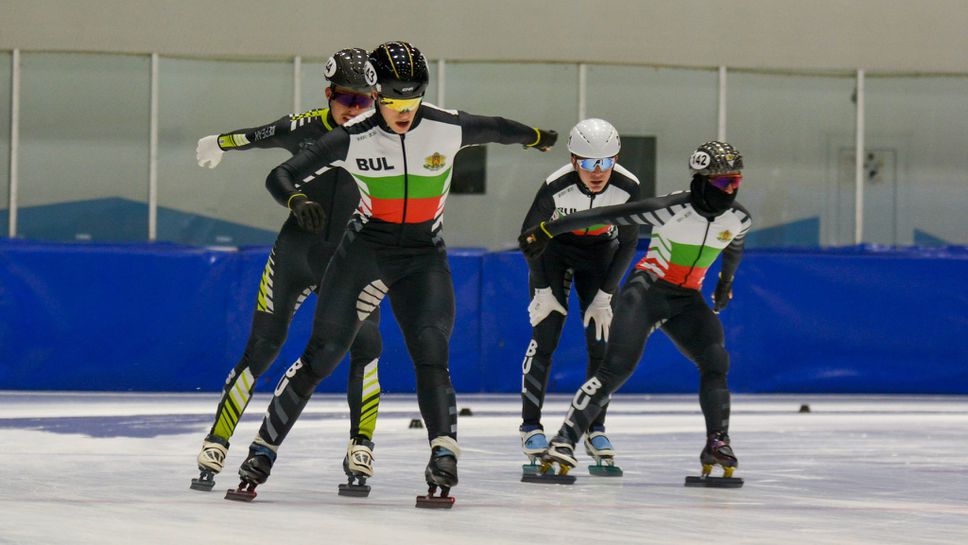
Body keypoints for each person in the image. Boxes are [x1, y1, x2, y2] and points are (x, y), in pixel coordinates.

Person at [230, 41, 557, 504]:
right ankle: (262, 449)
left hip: (422, 255)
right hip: (365, 252)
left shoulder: (446, 125)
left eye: (413, 100)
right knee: (322, 354)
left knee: (430, 351)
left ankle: (443, 453)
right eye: (393, 101)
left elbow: (499, 128)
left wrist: (537, 136)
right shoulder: (352, 134)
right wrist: (297, 199)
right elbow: (280, 176)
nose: (404, 111)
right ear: (375, 93)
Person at [190, 48, 384, 492]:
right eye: (345, 100)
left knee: (366, 347)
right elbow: (258, 137)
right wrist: (219, 143)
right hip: (297, 255)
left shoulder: (386, 138)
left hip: (353, 262)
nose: (354, 110)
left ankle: (362, 443)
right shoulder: (304, 128)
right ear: (327, 94)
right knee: (261, 348)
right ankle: (218, 438)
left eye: (364, 101)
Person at [519, 141, 752, 482]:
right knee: (615, 368)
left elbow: (735, 246)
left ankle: (718, 441)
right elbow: (605, 215)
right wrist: (546, 230)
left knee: (716, 360)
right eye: (721, 183)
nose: (729, 189)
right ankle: (564, 441)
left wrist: (725, 282)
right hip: (647, 292)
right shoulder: (670, 209)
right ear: (700, 180)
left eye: (735, 182)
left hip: (687, 298)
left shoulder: (739, 217)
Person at [518, 118, 640, 476]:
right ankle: (530, 426)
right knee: (546, 337)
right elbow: (528, 238)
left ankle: (595, 428)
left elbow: (629, 242)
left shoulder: (627, 186)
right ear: (574, 161)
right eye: (588, 163)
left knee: (601, 345)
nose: (597, 172)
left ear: (616, 159)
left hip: (601, 255)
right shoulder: (555, 186)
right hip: (552, 254)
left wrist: (606, 294)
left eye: (605, 162)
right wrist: (542, 288)